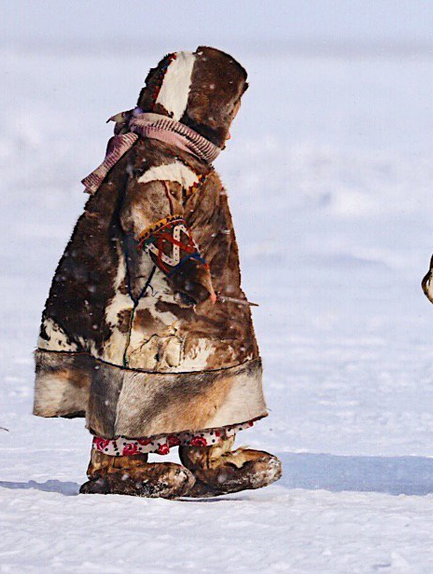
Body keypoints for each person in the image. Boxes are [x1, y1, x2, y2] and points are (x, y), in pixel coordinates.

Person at [33, 47, 283, 498]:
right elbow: (150, 215)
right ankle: (118, 464)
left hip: (190, 306)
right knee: (140, 376)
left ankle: (210, 453)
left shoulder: (177, 154)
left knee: (210, 363)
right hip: (145, 302)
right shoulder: (159, 157)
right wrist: (187, 269)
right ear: (208, 107)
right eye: (232, 107)